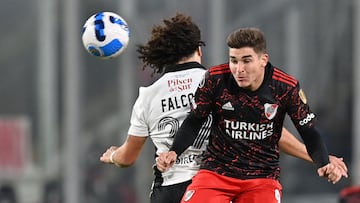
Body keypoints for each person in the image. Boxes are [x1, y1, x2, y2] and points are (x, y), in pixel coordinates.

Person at [100, 16, 347, 203]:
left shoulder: (148, 95)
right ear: (199, 49)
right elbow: (266, 130)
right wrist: (320, 159)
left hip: (173, 189)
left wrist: (112, 155)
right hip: (217, 183)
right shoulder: (219, 81)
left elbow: (127, 158)